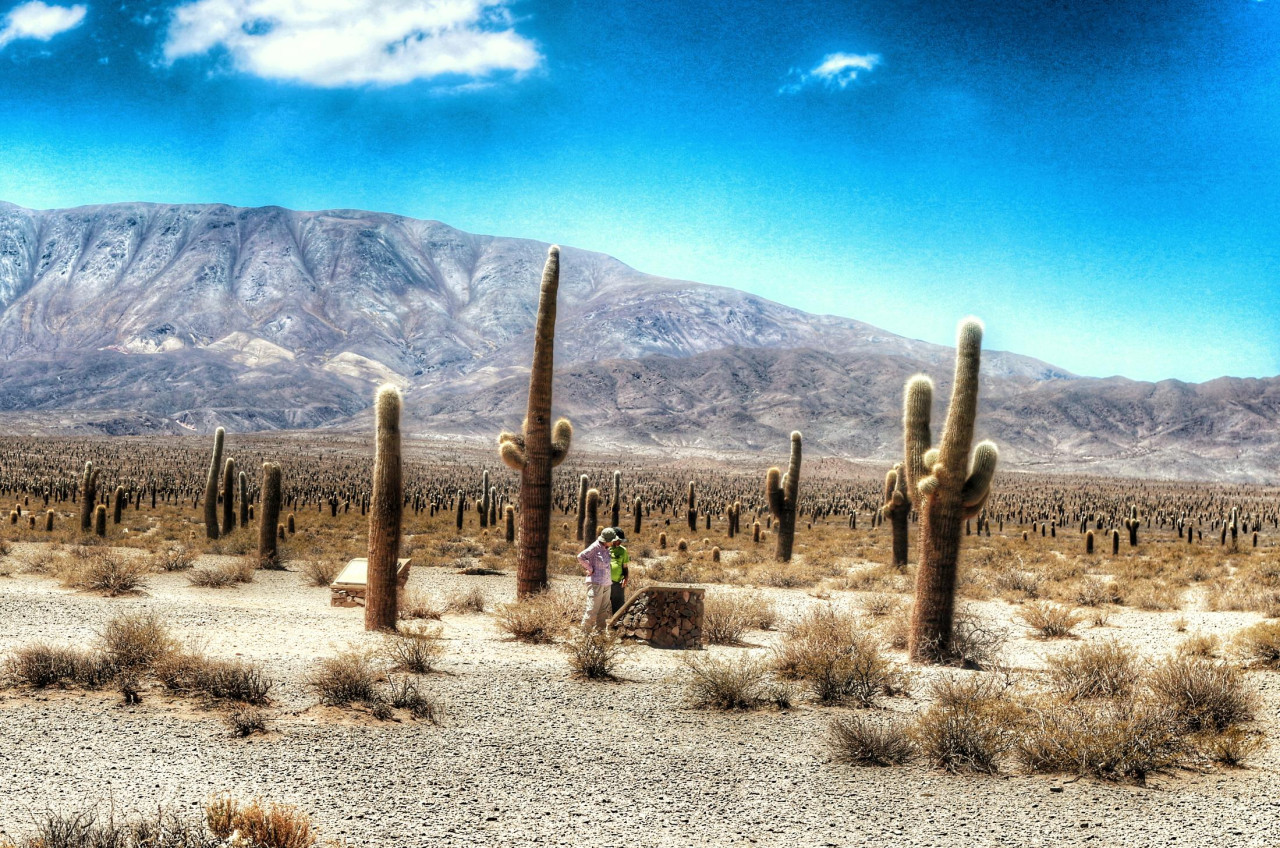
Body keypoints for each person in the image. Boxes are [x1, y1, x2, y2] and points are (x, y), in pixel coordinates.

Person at [578, 526, 617, 630]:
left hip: (607, 583)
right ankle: (584, 635)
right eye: (612, 540)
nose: (613, 542)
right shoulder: (595, 547)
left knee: (603, 611)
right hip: (596, 583)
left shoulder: (607, 548)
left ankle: (600, 635)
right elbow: (580, 557)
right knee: (592, 610)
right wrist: (590, 568)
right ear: (607, 540)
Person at [608, 527, 630, 614]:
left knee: (619, 607)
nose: (619, 542)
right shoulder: (605, 548)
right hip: (604, 582)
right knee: (602, 605)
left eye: (621, 540)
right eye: (618, 540)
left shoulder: (623, 550)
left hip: (617, 583)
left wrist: (625, 578)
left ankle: (616, 625)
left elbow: (625, 567)